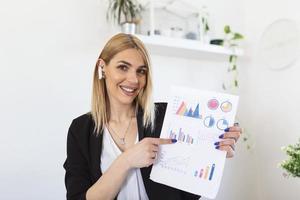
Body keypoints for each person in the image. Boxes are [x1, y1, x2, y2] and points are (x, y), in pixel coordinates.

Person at [63, 33, 242, 200]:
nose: (133, 80)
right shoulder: (80, 129)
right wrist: (127, 160)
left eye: (141, 71)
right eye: (123, 67)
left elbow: (187, 194)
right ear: (102, 67)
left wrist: (213, 153)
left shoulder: (165, 117)